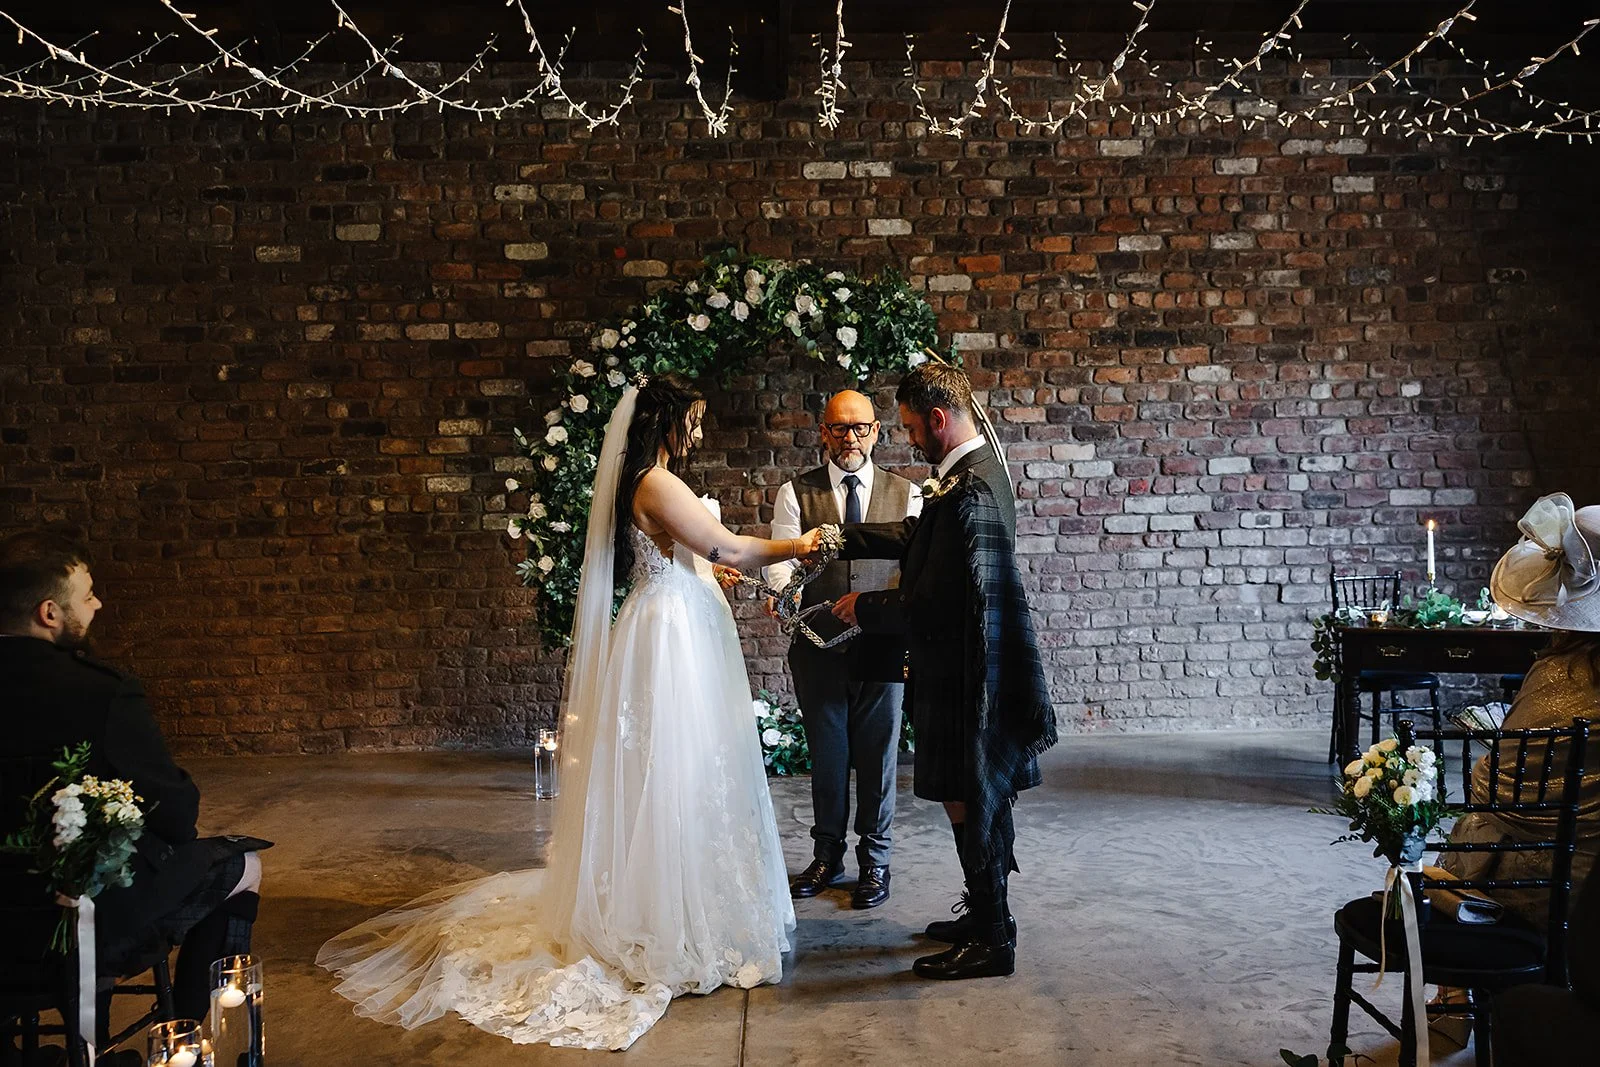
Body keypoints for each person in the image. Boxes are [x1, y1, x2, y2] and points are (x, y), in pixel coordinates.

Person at [319, 373, 827, 1051]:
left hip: (674, 619)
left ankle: (685, 896)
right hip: (671, 637)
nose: (698, 433)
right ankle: (665, 912)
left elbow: (695, 557)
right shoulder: (656, 480)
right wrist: (800, 545)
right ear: (665, 421)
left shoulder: (649, 481)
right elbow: (728, 545)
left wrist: (711, 570)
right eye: (694, 420)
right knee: (669, 772)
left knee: (683, 769)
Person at [831, 362, 1056, 981]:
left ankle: (991, 938)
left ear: (938, 419)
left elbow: (939, 599)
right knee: (975, 798)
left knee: (969, 799)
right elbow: (922, 539)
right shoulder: (969, 475)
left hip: (964, 677)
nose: (908, 439)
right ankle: (990, 916)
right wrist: (841, 539)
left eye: (909, 428)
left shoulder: (971, 490)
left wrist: (865, 606)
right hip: (963, 668)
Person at [0, 531, 266, 1025]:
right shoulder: (100, 693)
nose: (97, 604)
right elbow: (176, 814)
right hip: (69, 921)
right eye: (87, 595)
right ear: (49, 613)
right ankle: (183, 1030)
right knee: (242, 864)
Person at [768, 389, 921, 910]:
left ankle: (875, 861)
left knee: (879, 758)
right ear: (823, 432)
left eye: (859, 428)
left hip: (882, 646)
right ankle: (827, 854)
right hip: (818, 648)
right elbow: (781, 560)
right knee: (828, 756)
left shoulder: (910, 495)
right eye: (838, 428)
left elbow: (915, 571)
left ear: (876, 431)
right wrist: (785, 595)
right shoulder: (795, 493)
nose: (849, 437)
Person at [1440, 494, 1600, 924]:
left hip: (1518, 880)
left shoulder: (1554, 674)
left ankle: (1460, 985)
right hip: (1588, 886)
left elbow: (1497, 784)